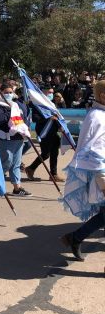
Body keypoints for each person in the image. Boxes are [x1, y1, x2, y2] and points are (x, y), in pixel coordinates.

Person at [61, 80, 105, 261]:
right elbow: (88, 147)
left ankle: (75, 237)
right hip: (101, 170)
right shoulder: (95, 116)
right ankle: (75, 238)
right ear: (102, 95)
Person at [0, 85, 32, 197]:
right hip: (5, 139)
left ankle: (17, 188)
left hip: (18, 138)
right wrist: (11, 112)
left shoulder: (17, 105)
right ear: (1, 93)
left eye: (10, 92)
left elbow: (25, 117)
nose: (9, 94)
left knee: (16, 164)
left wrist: (26, 126)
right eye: (6, 92)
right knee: (6, 162)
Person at [25, 86, 65, 183]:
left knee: (55, 153)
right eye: (49, 93)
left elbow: (56, 116)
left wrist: (59, 125)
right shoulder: (37, 104)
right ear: (43, 93)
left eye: (52, 93)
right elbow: (35, 118)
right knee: (46, 154)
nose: (51, 95)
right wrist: (48, 118)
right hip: (44, 132)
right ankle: (30, 168)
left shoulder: (52, 103)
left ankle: (53, 174)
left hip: (54, 131)